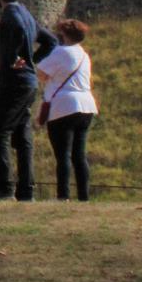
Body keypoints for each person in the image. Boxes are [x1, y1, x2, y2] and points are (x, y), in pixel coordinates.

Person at [0, 0, 56, 202]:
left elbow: (9, 47)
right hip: (29, 81)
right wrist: (32, 60)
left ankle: (5, 186)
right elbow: (51, 41)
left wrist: (14, 59)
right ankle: (26, 189)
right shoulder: (26, 15)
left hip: (13, 81)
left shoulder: (9, 17)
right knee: (23, 135)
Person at [36, 18, 97, 202]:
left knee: (63, 154)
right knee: (79, 154)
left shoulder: (61, 52)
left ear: (64, 35)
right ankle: (83, 196)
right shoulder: (84, 55)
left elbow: (42, 74)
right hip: (86, 104)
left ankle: (63, 195)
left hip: (64, 106)